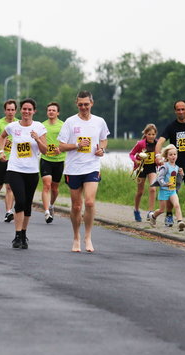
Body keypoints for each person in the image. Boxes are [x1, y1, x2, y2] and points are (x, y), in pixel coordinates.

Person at [57, 90, 110, 253]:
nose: (83, 107)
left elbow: (103, 139)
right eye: (80, 104)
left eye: (86, 104)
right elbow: (61, 146)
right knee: (76, 206)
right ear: (77, 104)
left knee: (89, 202)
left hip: (91, 166)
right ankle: (76, 237)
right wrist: (77, 146)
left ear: (91, 104)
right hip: (73, 168)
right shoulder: (70, 122)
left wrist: (101, 149)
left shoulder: (99, 121)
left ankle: (87, 237)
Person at [0, 98, 47, 249]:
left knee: (27, 204)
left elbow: (45, 150)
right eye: (24, 109)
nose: (26, 112)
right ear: (21, 111)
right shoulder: (13, 126)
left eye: (29, 109)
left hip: (31, 171)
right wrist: (1, 151)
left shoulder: (39, 127)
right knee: (20, 200)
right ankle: (17, 235)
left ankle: (24, 234)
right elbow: (1, 137)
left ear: (34, 111)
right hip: (15, 169)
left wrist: (37, 139)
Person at [155, 100, 185, 227]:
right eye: (178, 109)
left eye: (183, 109)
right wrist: (158, 157)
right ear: (175, 111)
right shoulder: (171, 127)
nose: (181, 112)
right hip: (174, 166)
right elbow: (160, 142)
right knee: (172, 192)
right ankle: (169, 215)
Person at [0, 100, 18, 222]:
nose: (10, 112)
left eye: (12, 110)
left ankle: (8, 212)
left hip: (14, 159)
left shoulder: (19, 123)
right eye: (8, 110)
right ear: (5, 110)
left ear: (15, 111)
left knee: (10, 186)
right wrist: (1, 142)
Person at [149, 144, 185, 231]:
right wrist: (165, 184)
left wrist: (181, 174)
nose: (173, 156)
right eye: (171, 155)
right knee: (162, 210)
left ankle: (180, 222)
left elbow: (179, 180)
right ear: (167, 156)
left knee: (176, 205)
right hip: (164, 191)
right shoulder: (164, 167)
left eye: (175, 154)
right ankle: (153, 216)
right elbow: (160, 178)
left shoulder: (177, 167)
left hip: (172, 191)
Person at [40, 102, 66, 224]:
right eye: (49, 110)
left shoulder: (63, 125)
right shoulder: (42, 125)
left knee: (55, 188)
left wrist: (60, 149)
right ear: (47, 112)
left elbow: (68, 141)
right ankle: (46, 212)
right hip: (46, 159)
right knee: (47, 185)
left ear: (58, 113)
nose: (51, 112)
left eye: (53, 110)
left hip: (59, 160)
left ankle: (51, 205)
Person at [129, 123, 158, 222]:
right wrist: (135, 160)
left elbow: (160, 155)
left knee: (153, 188)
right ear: (145, 134)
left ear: (155, 135)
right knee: (140, 192)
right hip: (141, 168)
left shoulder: (157, 144)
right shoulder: (141, 144)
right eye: (149, 134)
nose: (151, 136)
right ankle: (136, 210)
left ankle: (151, 212)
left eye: (153, 134)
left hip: (152, 168)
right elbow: (131, 154)